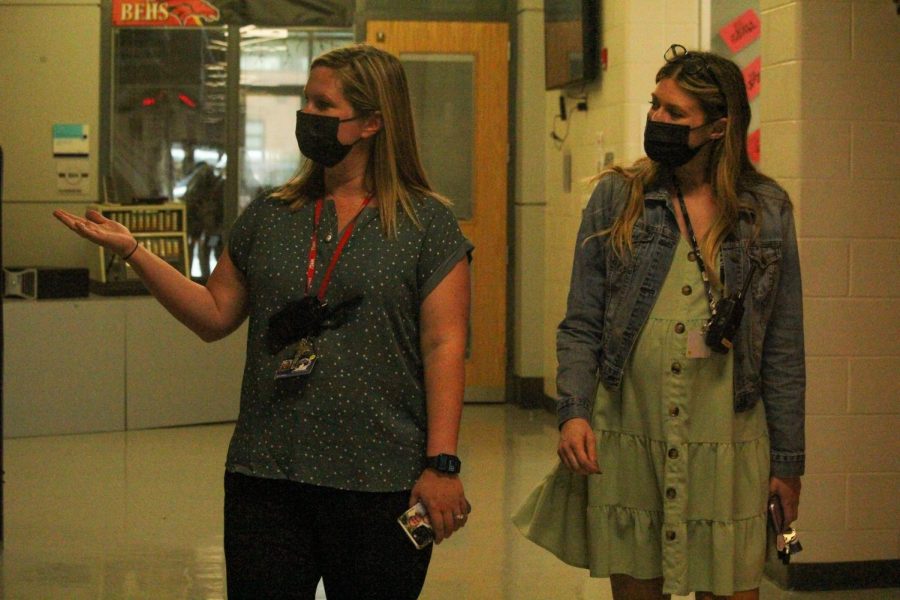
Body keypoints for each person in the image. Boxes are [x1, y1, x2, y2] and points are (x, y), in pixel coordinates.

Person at [55, 43, 472, 600]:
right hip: (267, 476)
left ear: (373, 122)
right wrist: (135, 251)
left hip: (380, 480)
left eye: (324, 106)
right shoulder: (272, 215)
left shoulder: (427, 225)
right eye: (306, 101)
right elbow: (213, 313)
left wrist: (441, 465)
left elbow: (444, 342)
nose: (308, 117)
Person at [514, 44, 804, 600]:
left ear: (719, 128)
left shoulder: (766, 211)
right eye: (654, 106)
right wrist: (573, 412)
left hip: (730, 438)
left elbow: (784, 347)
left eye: (675, 114)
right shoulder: (618, 198)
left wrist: (788, 463)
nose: (657, 120)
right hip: (632, 429)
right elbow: (581, 322)